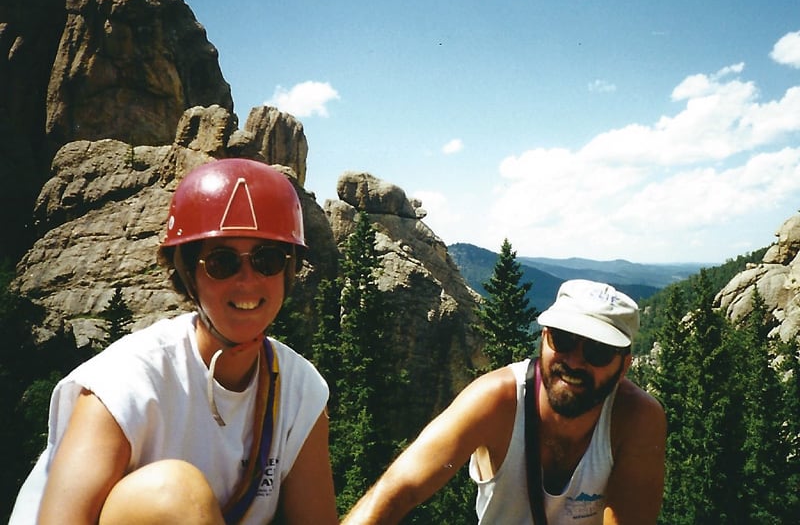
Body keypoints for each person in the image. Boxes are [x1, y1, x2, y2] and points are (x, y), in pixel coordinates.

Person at [10, 158, 338, 524]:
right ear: (187, 272)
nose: (247, 280)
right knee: (175, 494)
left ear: (289, 269)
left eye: (268, 259)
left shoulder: (300, 390)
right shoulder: (124, 382)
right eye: (222, 262)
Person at [343, 279, 666, 525]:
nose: (574, 361)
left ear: (624, 366)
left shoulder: (637, 418)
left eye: (598, 351)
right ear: (544, 339)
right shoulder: (496, 400)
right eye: (563, 339)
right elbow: (397, 491)